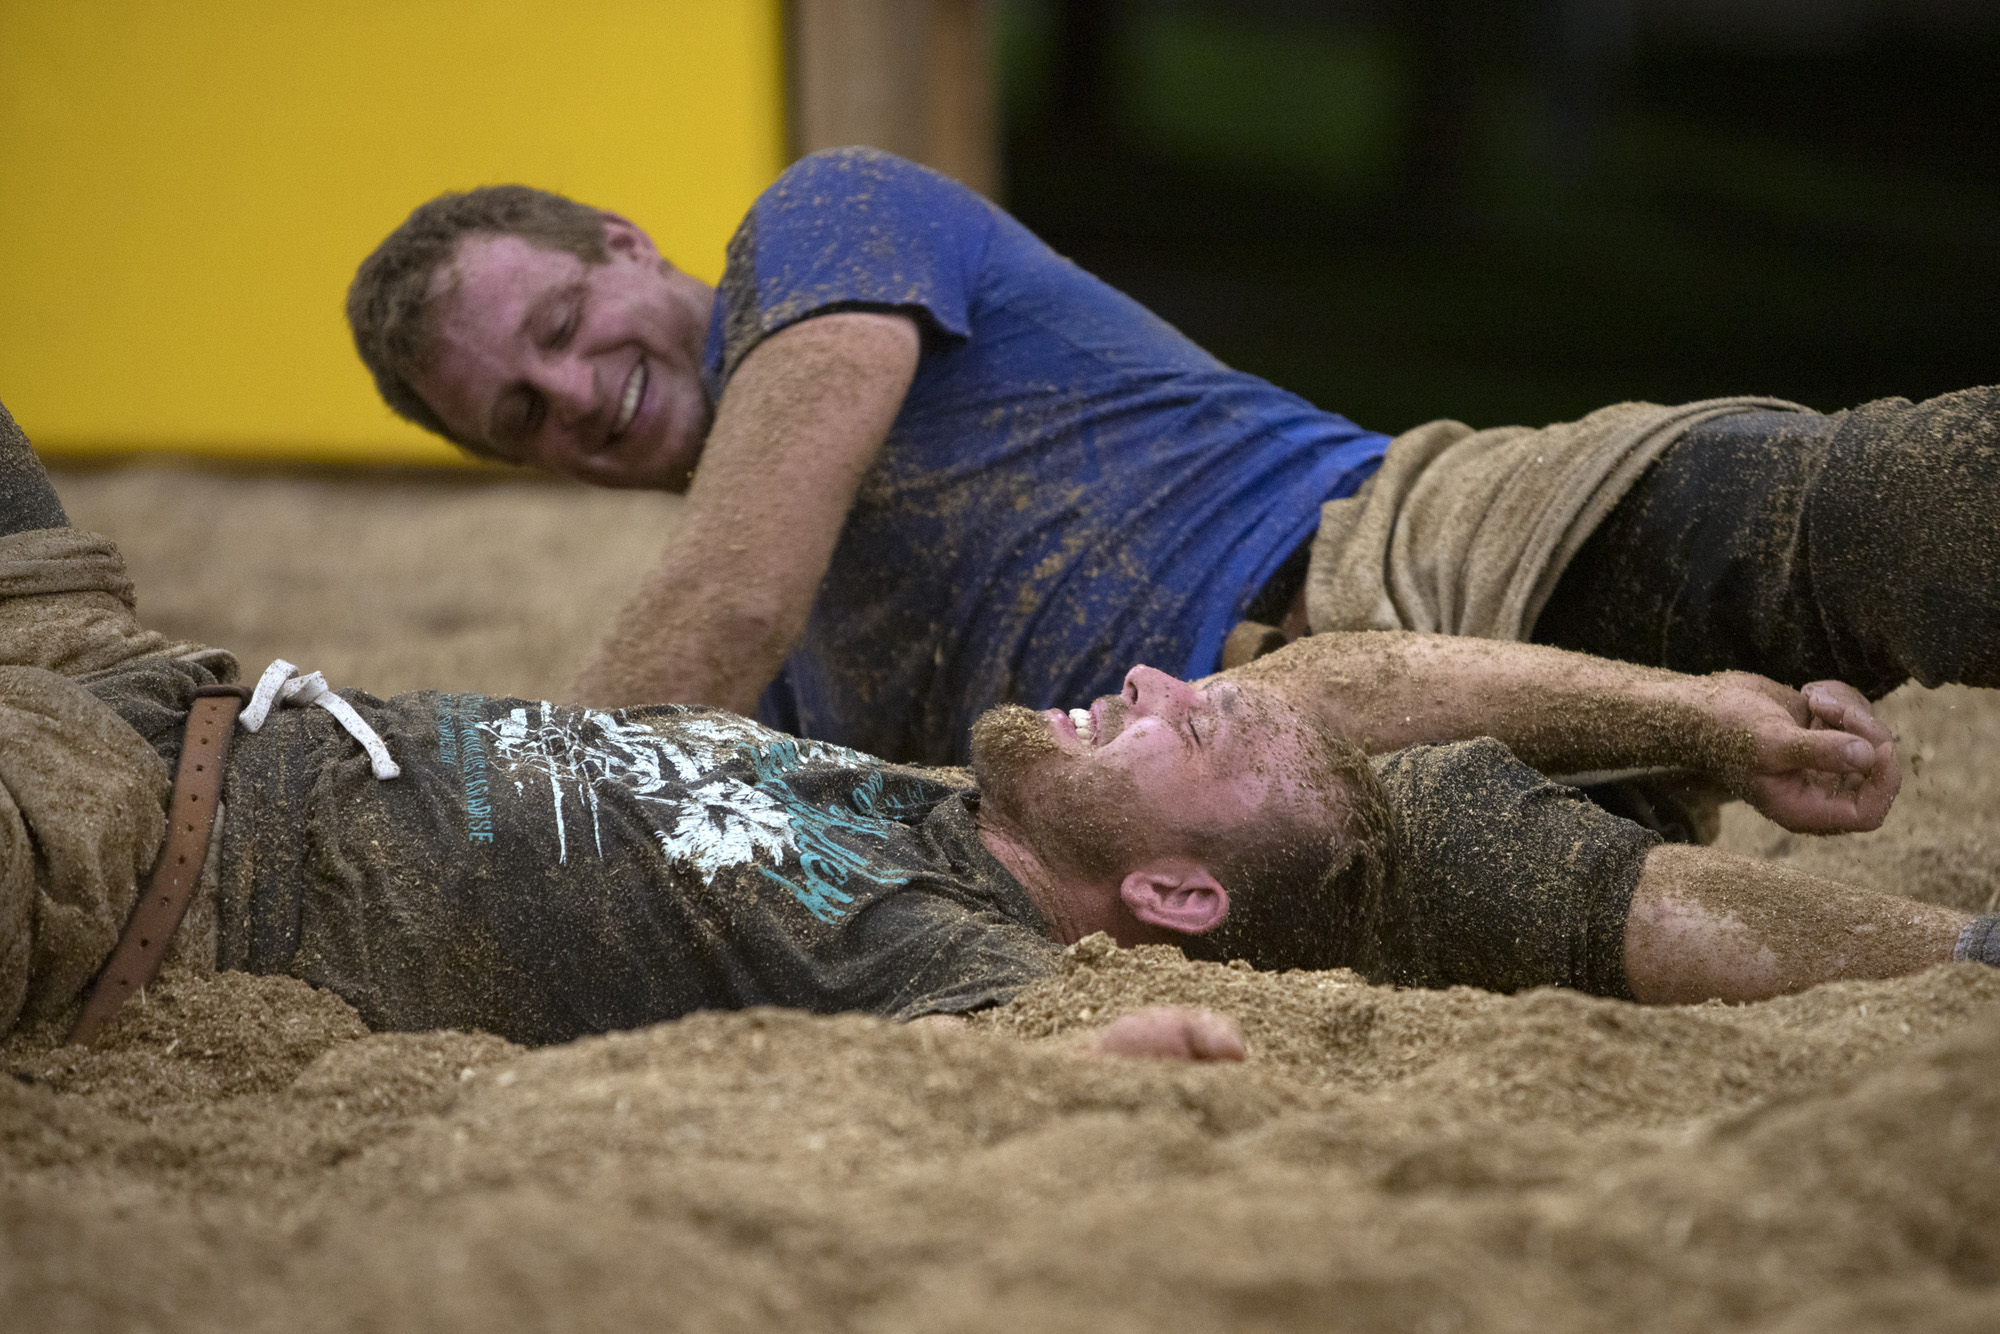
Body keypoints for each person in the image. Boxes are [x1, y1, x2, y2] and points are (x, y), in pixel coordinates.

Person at [4, 401, 1995, 1062]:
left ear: (1181, 884)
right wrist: (1707, 725)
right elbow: (1349, 692)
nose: (1147, 673)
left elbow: (1052, 1060)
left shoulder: (957, 945)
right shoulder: (950, 791)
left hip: (134, 844)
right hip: (146, 665)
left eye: (1180, 721)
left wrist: (1138, 1052)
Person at [346, 148, 1999, 786]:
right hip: (1312, 773)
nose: (576, 389)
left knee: (1871, 525)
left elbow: (722, 589)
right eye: (518, 411)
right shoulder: (784, 698)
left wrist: (497, 813)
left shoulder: (822, 222)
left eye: (568, 316)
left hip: (1408, 545)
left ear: (630, 245)